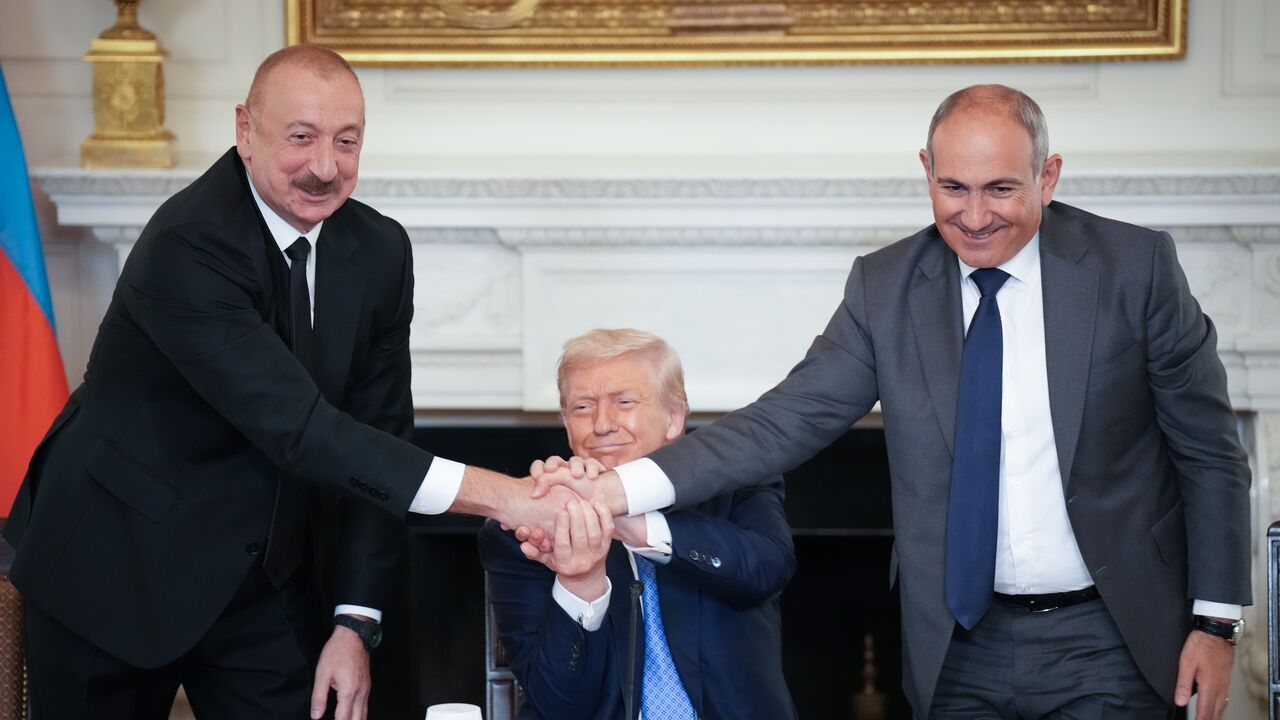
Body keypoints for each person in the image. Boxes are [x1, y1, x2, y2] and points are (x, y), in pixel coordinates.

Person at [533, 86, 1251, 719]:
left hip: (1111, 633)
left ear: (1048, 175)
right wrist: (615, 490)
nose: (973, 217)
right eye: (953, 188)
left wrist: (1215, 624)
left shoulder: (1135, 268)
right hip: (958, 643)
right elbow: (785, 421)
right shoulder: (884, 288)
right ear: (926, 174)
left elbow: (1209, 452)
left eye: (1000, 189)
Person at [4, 45, 571, 720]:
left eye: (346, 141)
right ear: (245, 131)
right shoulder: (188, 244)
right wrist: (507, 497)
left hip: (259, 578)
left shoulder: (380, 250)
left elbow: (379, 434)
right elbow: (305, 430)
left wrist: (354, 622)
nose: (324, 167)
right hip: (115, 565)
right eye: (300, 137)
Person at [479, 329, 797, 719]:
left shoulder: (736, 482)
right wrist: (579, 583)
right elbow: (557, 705)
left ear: (674, 417)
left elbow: (766, 569)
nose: (601, 424)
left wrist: (630, 518)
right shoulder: (524, 528)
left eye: (623, 402)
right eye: (582, 408)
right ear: (566, 424)